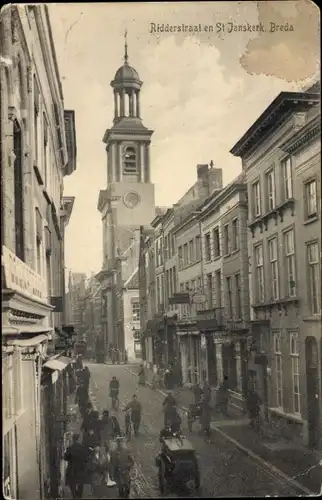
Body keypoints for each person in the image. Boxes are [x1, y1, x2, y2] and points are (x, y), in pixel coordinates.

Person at [64, 433, 88, 499]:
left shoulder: (69, 448)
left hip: (72, 467)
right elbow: (86, 458)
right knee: (81, 481)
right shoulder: (82, 448)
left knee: (72, 482)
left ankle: (74, 494)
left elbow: (65, 458)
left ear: (73, 439)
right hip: (81, 467)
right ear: (78, 439)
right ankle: (79, 494)